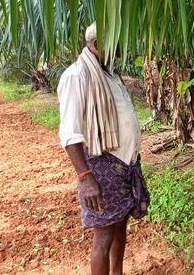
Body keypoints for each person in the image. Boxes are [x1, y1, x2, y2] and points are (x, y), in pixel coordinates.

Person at [57, 23, 150, 275]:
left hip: (124, 165)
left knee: (120, 224)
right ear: (97, 45)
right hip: (101, 168)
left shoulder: (109, 74)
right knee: (104, 237)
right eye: (116, 43)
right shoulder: (77, 76)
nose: (121, 49)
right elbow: (69, 133)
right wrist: (85, 178)